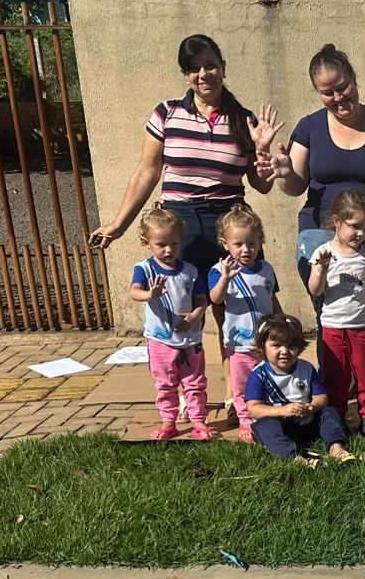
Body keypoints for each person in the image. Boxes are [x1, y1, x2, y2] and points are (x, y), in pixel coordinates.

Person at [91, 34, 281, 420]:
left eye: (210, 65)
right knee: (182, 309)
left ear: (223, 67)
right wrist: (120, 223)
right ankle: (184, 398)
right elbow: (146, 172)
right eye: (194, 68)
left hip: (229, 222)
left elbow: (260, 184)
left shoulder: (244, 120)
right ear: (185, 74)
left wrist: (263, 153)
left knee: (234, 313)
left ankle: (238, 397)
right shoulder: (166, 113)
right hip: (180, 225)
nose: (203, 74)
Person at [258, 44, 365, 406]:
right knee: (331, 318)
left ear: (354, 80)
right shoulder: (309, 128)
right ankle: (337, 390)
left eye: (342, 87)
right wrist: (282, 171)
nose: (338, 97)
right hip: (321, 236)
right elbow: (294, 185)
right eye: (327, 92)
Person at [305, 190, 365, 437]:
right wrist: (320, 270)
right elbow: (315, 290)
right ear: (337, 222)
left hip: (363, 326)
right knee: (336, 376)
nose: (361, 233)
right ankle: (337, 416)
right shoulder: (323, 253)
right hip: (333, 327)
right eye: (355, 226)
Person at [127, 205, 213, 441]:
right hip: (161, 341)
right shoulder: (144, 269)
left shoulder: (190, 271)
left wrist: (196, 315)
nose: (168, 250)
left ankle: (199, 421)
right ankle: (168, 421)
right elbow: (134, 291)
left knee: (195, 382)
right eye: (161, 244)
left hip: (190, 339)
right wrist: (150, 294)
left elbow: (201, 299)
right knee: (165, 384)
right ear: (147, 243)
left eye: (174, 244)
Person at [207, 204, 282, 442]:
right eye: (238, 244)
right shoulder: (219, 270)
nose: (246, 249)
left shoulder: (266, 269)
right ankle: (245, 419)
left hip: (266, 342)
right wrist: (225, 279)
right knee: (242, 385)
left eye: (252, 243)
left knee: (269, 379)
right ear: (225, 243)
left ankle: (268, 415)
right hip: (239, 344)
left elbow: (272, 299)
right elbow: (215, 299)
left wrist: (282, 322)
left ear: (260, 242)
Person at [243, 314, 354, 465]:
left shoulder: (306, 368)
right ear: (263, 347)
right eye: (276, 345)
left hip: (305, 421)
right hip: (279, 423)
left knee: (329, 412)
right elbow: (253, 409)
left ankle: (337, 448)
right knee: (264, 426)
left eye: (291, 346)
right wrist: (283, 410)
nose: (284, 351)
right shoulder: (258, 374)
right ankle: (295, 458)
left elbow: (321, 397)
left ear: (299, 347)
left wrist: (312, 407)